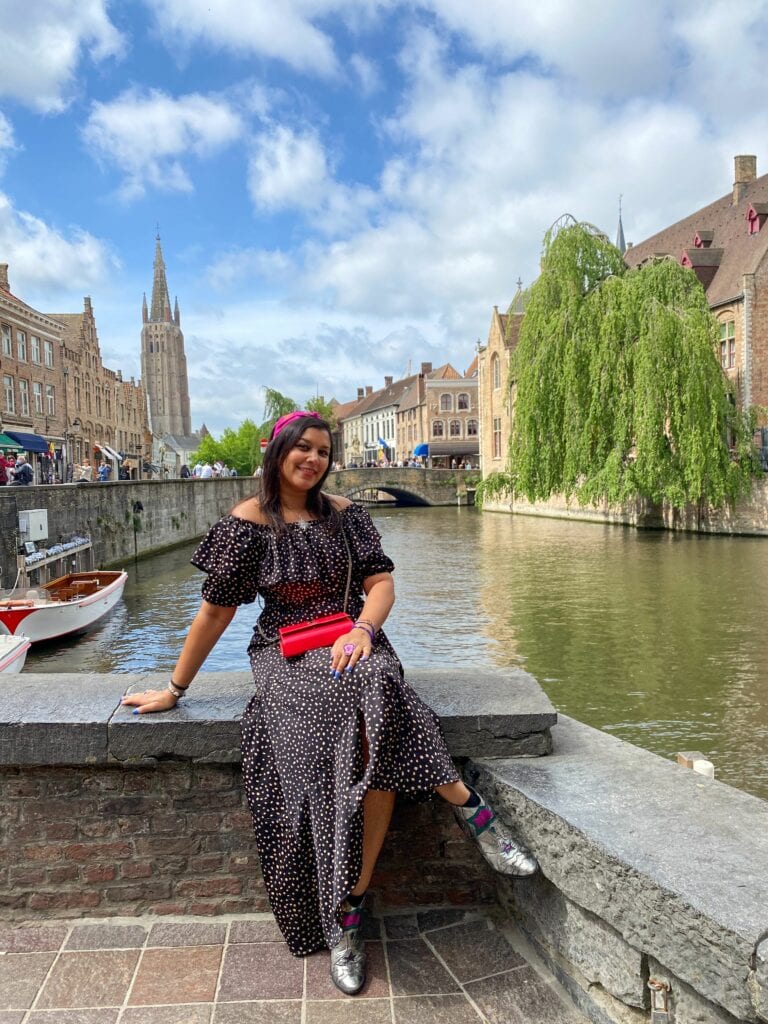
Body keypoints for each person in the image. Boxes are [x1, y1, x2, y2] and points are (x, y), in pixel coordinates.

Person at [122, 411, 537, 995]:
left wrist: (364, 631)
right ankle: (469, 807)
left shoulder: (348, 516)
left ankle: (348, 911)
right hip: (286, 652)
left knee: (373, 699)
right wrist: (175, 689)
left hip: (353, 636)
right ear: (278, 451)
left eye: (323, 451)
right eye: (303, 448)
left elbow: (381, 584)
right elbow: (215, 613)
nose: (314, 459)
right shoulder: (246, 525)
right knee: (372, 695)